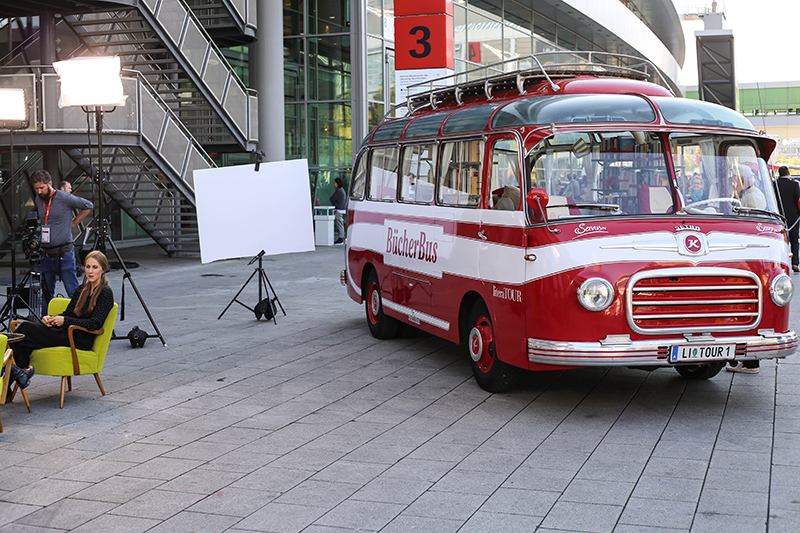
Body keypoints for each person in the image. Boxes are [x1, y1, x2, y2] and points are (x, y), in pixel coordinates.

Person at [8, 251, 114, 391]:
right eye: (88, 266)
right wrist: (51, 318)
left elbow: (94, 324)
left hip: (80, 337)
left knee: (25, 329)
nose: (90, 271)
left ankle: (15, 376)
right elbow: (67, 313)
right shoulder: (81, 289)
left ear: (103, 269)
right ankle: (17, 376)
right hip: (67, 331)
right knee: (23, 339)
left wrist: (64, 321)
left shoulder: (105, 293)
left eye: (95, 267)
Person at [30, 170, 93, 314]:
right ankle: (46, 325)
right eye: (37, 188)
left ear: (50, 184)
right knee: (46, 294)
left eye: (42, 188)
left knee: (73, 292)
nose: (39, 191)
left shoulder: (64, 197)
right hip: (46, 254)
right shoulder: (39, 199)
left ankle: (80, 322)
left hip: (64, 254)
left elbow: (88, 205)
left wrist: (74, 222)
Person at [775, 166, 800, 273]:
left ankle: (782, 263)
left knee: (781, 239)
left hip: (778, 215)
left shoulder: (774, 184)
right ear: (788, 173)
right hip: (793, 216)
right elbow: (798, 200)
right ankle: (795, 263)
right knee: (794, 240)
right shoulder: (794, 184)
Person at [330, 177, 347, 244]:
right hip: (341, 209)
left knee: (339, 224)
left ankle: (341, 238)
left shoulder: (339, 191)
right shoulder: (342, 191)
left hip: (339, 210)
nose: (334, 184)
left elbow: (332, 199)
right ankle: (341, 237)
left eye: (335, 183)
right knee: (340, 223)